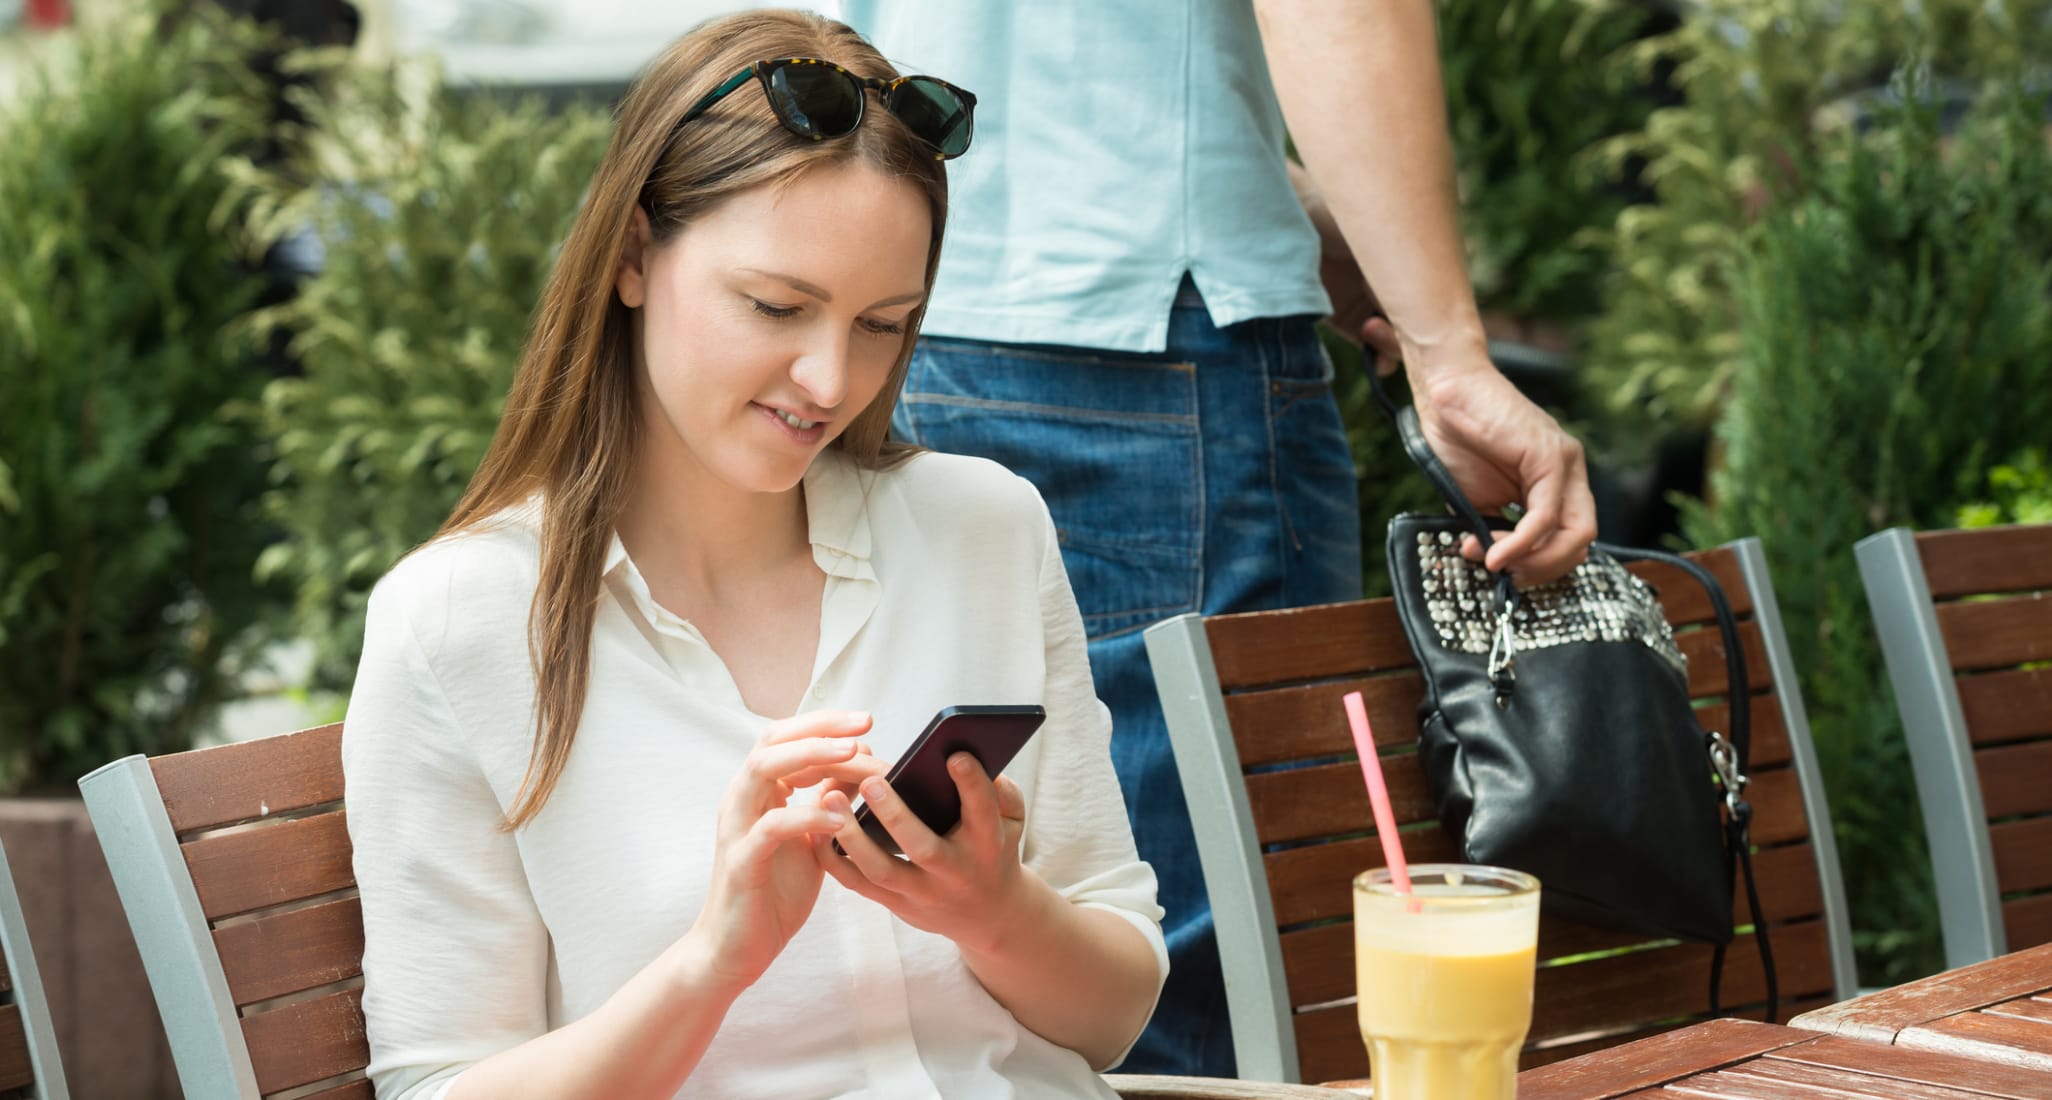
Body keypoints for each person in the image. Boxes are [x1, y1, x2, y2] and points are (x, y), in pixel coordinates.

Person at [340, 11, 1167, 1099]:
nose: (831, 378)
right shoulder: (458, 620)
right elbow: (437, 1084)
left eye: (883, 322)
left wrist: (994, 910)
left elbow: (1112, 1017)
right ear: (633, 254)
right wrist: (711, 961)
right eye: (778, 305)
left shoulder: (987, 530)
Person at [841, 0, 1600, 1077]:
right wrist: (1449, 351)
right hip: (1158, 327)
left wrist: (1268, 195)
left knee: (967, 918)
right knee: (1200, 959)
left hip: (911, 311)